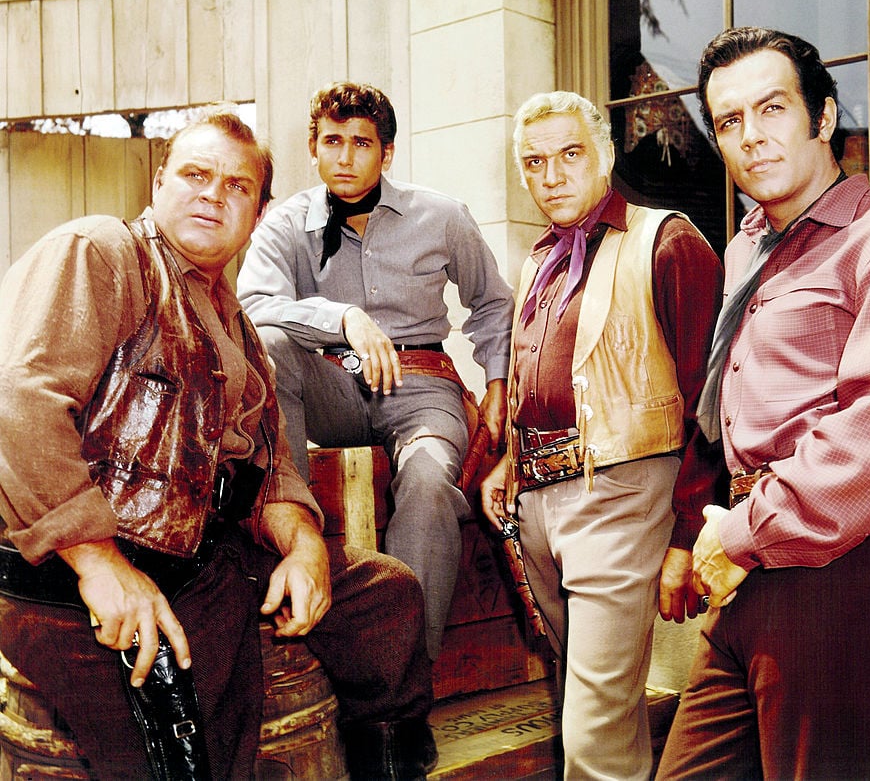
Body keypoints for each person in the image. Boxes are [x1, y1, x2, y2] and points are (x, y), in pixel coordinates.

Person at [0, 109, 437, 780]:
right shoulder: (102, 253)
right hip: (70, 571)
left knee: (386, 595)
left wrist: (304, 547)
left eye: (236, 186)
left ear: (257, 215)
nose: (212, 195)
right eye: (195, 175)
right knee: (186, 751)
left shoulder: (239, 327)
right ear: (158, 185)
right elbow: (19, 404)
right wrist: (98, 563)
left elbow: (271, 465)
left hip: (204, 554)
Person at [655, 27, 870, 779]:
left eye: (772, 108)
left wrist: (739, 535)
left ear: (823, 117)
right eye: (729, 121)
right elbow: (722, 414)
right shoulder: (745, 249)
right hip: (748, 567)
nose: (751, 136)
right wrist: (709, 532)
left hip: (844, 573)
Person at [479, 90, 724, 780]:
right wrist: (508, 460)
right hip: (538, 504)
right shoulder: (538, 261)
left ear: (606, 155)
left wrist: (687, 536)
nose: (551, 175)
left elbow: (710, 405)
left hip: (621, 494)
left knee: (591, 737)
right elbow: (542, 384)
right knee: (596, 714)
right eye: (534, 162)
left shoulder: (667, 241)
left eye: (569, 154)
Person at [237, 82, 514, 660]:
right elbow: (255, 306)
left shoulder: (442, 215)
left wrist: (497, 384)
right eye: (331, 141)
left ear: (386, 153)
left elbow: (492, 304)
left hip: (423, 389)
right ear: (313, 148)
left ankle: (404, 671)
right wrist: (343, 319)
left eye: (361, 143)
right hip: (334, 388)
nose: (344, 157)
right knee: (270, 344)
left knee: (428, 483)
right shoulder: (285, 224)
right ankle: (296, 543)